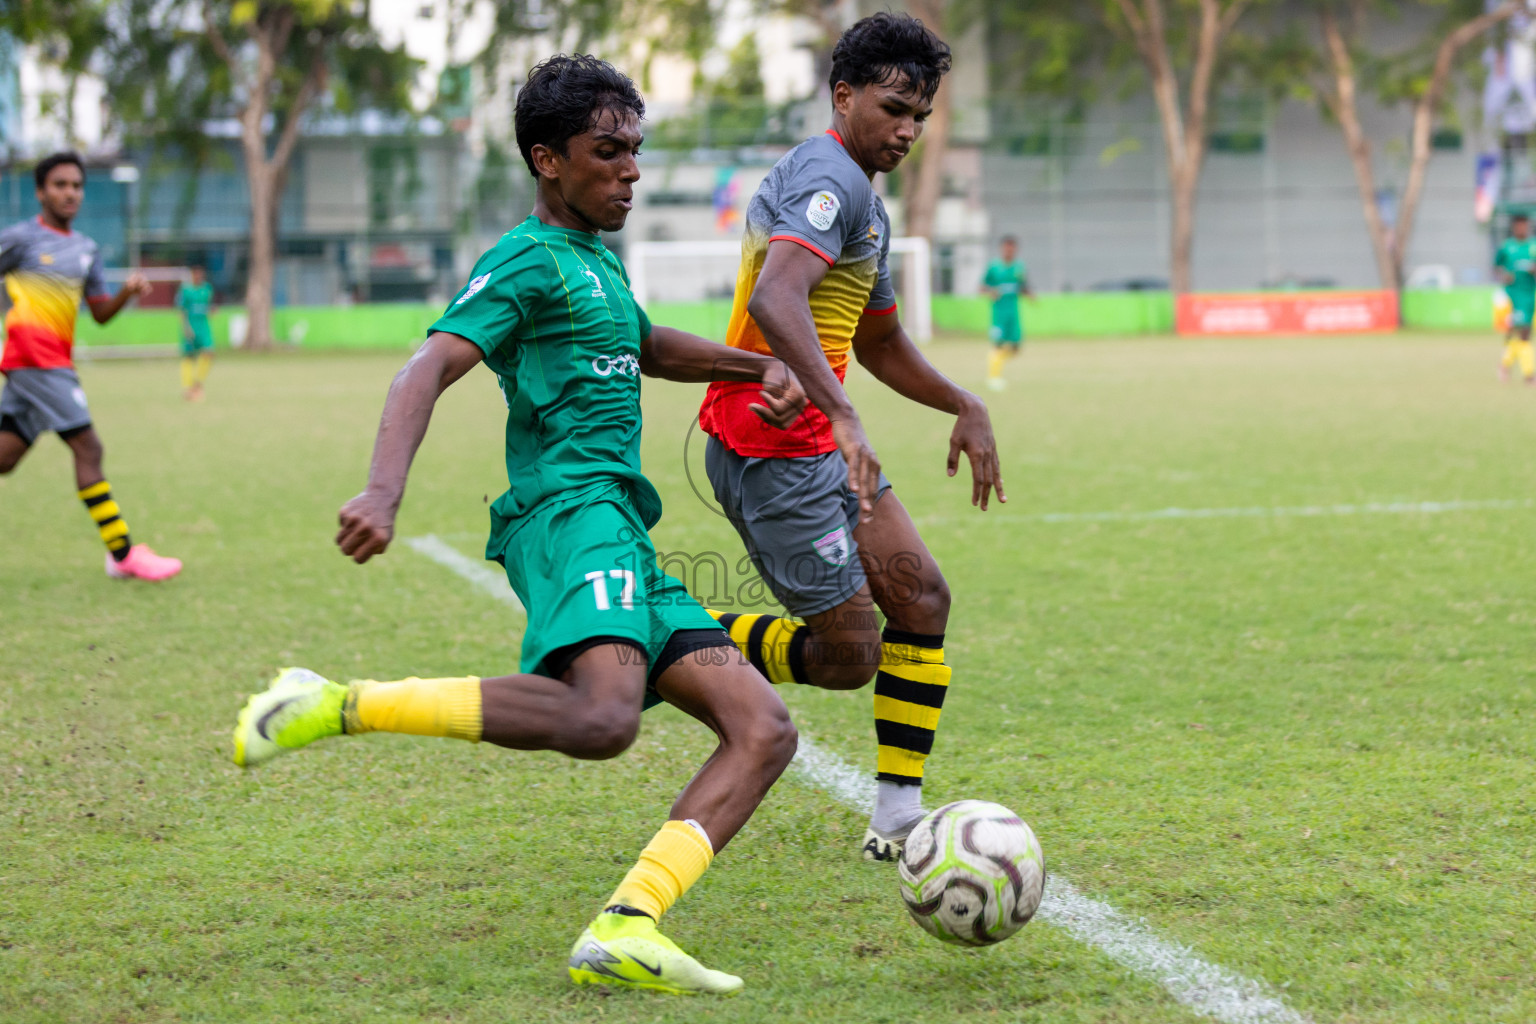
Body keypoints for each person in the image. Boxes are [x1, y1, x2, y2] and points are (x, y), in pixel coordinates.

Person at [230, 55, 808, 997]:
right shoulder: (525, 259)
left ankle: (629, 925)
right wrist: (382, 490)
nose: (630, 171)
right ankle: (332, 701)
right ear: (547, 160)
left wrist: (752, 368)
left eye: (635, 151)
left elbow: (646, 345)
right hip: (568, 518)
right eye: (606, 153)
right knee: (602, 717)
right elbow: (425, 367)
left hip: (624, 529)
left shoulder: (597, 262)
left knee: (763, 729)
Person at [696, 13, 1004, 863]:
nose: (906, 129)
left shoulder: (859, 194)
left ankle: (899, 814)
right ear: (844, 94)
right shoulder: (828, 180)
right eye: (894, 106)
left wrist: (960, 401)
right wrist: (842, 414)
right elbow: (777, 299)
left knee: (923, 601)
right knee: (847, 656)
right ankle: (670, 639)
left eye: (920, 116)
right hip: (769, 446)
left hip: (815, 442)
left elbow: (876, 342)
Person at [0, 152, 183, 581]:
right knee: (89, 448)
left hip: (52, 364)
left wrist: (127, 294)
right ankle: (122, 555)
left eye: (77, 186)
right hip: (35, 363)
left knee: (5, 458)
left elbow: (99, 313)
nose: (70, 193)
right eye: (60, 185)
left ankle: (120, 557)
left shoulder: (86, 250)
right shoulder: (21, 239)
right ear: (41, 191)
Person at [982, 234, 1035, 391]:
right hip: (999, 314)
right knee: (997, 345)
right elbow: (982, 287)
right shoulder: (994, 267)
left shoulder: (1019, 267)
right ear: (1002, 248)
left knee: (1016, 348)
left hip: (1014, 314)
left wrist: (1029, 294)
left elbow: (1022, 286)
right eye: (1007, 248)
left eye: (1012, 248)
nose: (1009, 251)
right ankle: (993, 377)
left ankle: (997, 363)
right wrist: (991, 291)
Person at [1496, 212, 1536, 384]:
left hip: (1530, 293)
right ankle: (1529, 374)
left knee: (1518, 333)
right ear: (1514, 227)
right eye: (1519, 225)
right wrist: (1504, 275)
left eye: (1524, 225)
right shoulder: (1507, 247)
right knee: (1524, 332)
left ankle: (1504, 365)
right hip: (1512, 294)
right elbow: (1496, 266)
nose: (1522, 228)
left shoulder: (1533, 246)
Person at [175, 264, 215, 401]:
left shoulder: (207, 289)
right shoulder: (186, 290)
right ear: (192, 274)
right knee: (189, 356)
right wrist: (186, 328)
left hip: (203, 327)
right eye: (196, 273)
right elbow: (182, 311)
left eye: (200, 273)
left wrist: (212, 311)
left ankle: (197, 384)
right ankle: (188, 387)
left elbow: (207, 307)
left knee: (209, 353)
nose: (198, 276)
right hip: (190, 327)